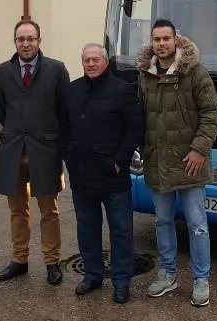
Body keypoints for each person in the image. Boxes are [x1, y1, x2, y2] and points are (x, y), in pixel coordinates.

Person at [135, 18, 217, 307]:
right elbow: (140, 117)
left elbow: (211, 114)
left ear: (176, 40)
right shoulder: (144, 75)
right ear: (152, 42)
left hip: (190, 163)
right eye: (157, 39)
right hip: (157, 162)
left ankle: (201, 278)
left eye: (166, 39)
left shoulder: (195, 73)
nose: (161, 44)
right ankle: (168, 274)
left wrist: (199, 150)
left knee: (197, 223)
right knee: (162, 222)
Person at [64, 43, 145, 304]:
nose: (90, 63)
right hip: (81, 173)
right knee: (87, 228)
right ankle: (92, 275)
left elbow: (135, 128)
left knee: (121, 230)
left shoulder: (122, 90)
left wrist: (119, 160)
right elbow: (63, 127)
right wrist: (69, 156)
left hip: (113, 174)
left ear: (105, 62)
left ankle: (121, 282)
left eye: (95, 59)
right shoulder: (72, 90)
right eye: (86, 59)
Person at [0, 19, 70, 285]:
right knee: (17, 211)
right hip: (13, 151)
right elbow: (0, 108)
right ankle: (19, 260)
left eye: (30, 39)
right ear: (15, 42)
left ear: (39, 40)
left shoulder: (57, 70)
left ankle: (52, 262)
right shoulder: (3, 71)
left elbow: (64, 110)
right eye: (20, 39)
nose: (26, 44)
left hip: (46, 150)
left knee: (49, 211)